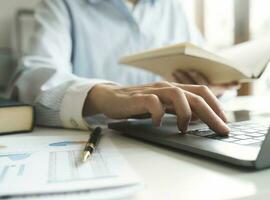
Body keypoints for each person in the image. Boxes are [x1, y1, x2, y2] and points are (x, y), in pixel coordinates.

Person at [13, 0, 235, 134]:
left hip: (175, 133)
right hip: (103, 141)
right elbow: (32, 82)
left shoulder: (172, 6)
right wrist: (102, 95)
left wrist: (206, 84)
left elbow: (204, 69)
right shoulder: (62, 4)